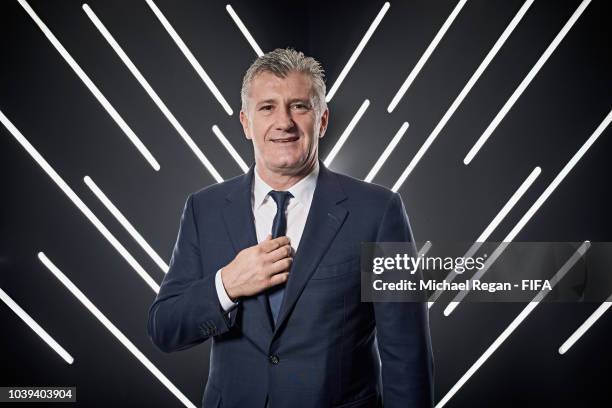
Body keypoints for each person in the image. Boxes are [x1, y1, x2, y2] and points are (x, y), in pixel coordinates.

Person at [147, 48, 434, 408]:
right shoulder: (202, 209)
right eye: (267, 107)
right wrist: (226, 285)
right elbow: (165, 329)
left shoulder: (379, 211)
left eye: (299, 106)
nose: (284, 121)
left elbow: (407, 356)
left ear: (323, 120)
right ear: (246, 123)